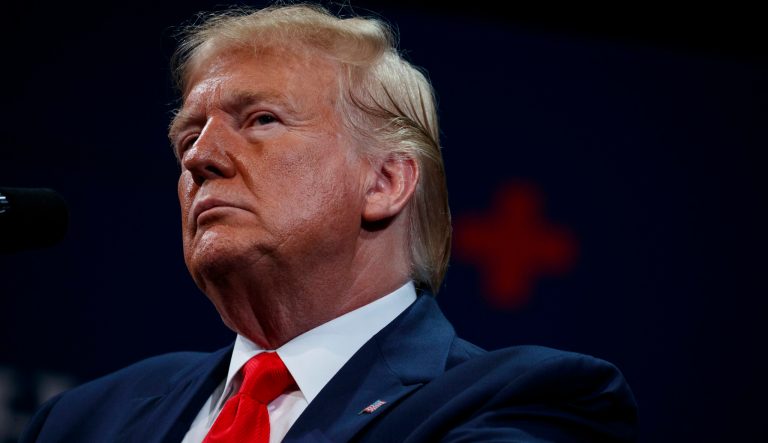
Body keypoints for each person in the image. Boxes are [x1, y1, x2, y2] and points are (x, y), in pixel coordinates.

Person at [20, 3, 638, 442]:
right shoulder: (80, 421)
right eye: (188, 135)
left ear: (385, 182)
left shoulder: (522, 403)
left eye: (260, 119)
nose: (199, 158)